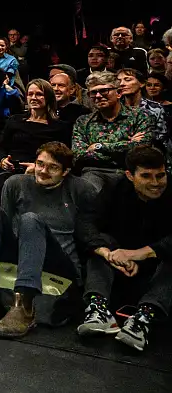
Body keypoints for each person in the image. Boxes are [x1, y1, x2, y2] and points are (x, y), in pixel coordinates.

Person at [0, 142, 96, 338]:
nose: (43, 171)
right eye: (40, 164)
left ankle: (25, 305)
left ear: (66, 171)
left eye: (53, 167)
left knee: (30, 219)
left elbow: (89, 230)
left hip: (59, 259)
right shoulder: (16, 183)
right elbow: (5, 225)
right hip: (24, 252)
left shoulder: (81, 189)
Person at [76, 145, 172, 352]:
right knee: (100, 242)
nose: (156, 183)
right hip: (118, 268)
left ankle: (143, 319)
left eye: (161, 175)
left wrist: (139, 254)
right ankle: (99, 309)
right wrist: (108, 254)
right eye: (146, 176)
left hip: (158, 276)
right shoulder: (114, 188)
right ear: (130, 175)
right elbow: (86, 223)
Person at [73, 72, 153, 193]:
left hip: (130, 173)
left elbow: (142, 150)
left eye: (104, 91)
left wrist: (99, 147)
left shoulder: (140, 115)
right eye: (93, 93)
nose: (98, 96)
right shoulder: (82, 121)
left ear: (119, 93)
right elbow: (78, 156)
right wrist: (127, 145)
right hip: (94, 173)